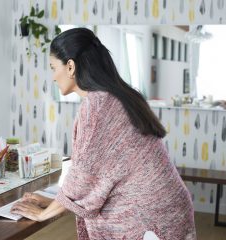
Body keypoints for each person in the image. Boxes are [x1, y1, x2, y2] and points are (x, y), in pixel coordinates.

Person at [11, 28, 196, 240]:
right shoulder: (116, 95)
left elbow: (83, 177)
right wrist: (51, 201)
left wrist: (44, 214)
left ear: (70, 66)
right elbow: (95, 175)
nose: (53, 76)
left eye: (53, 68)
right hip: (165, 209)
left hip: (149, 219)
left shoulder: (98, 105)